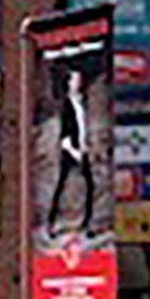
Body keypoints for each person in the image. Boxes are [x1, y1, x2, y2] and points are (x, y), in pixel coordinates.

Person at [45, 64, 96, 240]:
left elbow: (83, 128)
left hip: (82, 149)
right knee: (61, 185)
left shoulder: (82, 102)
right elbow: (64, 133)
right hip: (69, 150)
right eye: (74, 80)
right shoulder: (67, 104)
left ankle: (88, 224)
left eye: (79, 79)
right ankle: (51, 224)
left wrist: (85, 147)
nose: (77, 82)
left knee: (91, 186)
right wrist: (73, 150)